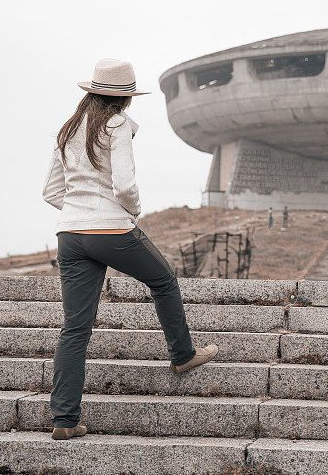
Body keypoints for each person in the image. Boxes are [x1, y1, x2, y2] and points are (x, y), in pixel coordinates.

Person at [42, 59, 218, 441]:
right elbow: (124, 184)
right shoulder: (117, 125)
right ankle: (183, 355)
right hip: (111, 228)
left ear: (91, 92)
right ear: (124, 100)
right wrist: (130, 211)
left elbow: (51, 192)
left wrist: (79, 212)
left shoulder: (67, 131)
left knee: (75, 328)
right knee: (165, 280)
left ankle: (65, 420)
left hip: (69, 235)